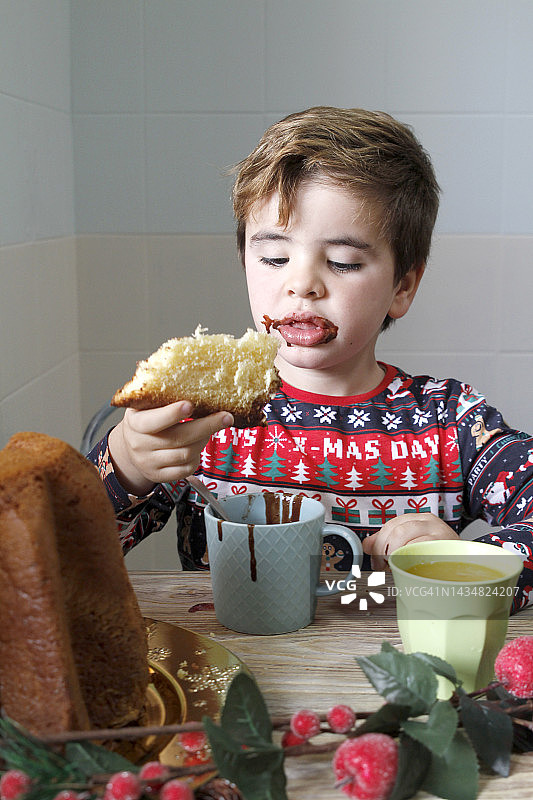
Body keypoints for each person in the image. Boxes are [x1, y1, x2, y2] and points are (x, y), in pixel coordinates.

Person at [88, 107, 533, 611]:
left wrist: (460, 564)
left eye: (343, 262)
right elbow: (65, 552)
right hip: (237, 673)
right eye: (275, 258)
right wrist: (126, 465)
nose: (300, 283)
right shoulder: (201, 422)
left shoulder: (453, 424)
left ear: (402, 287)